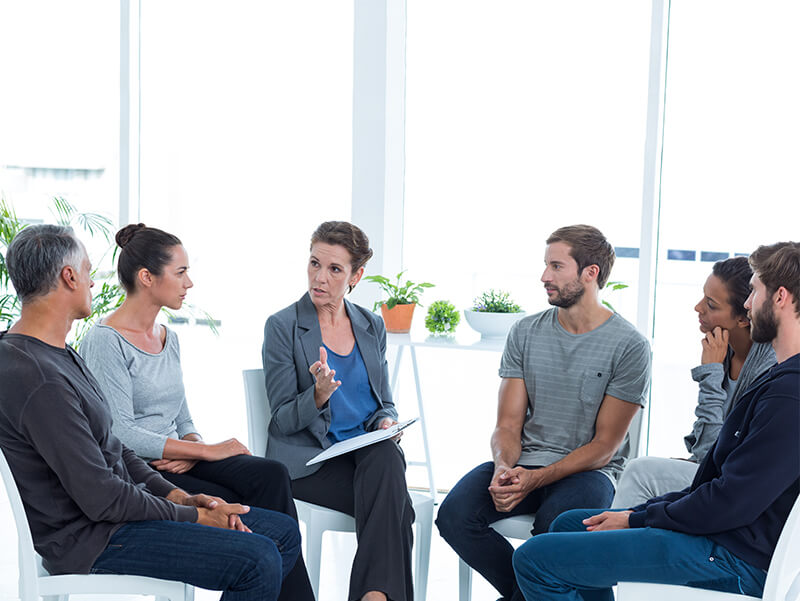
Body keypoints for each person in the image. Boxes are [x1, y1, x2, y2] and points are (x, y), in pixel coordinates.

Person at [0, 224, 300, 601]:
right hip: (93, 539)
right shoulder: (36, 375)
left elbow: (117, 449)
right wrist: (196, 516)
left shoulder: (58, 354)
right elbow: (102, 498)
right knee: (258, 558)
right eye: (90, 273)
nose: (93, 284)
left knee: (282, 532)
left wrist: (181, 497)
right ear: (69, 276)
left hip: (113, 519)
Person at [512, 241, 800, 601]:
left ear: (781, 297)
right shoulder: (779, 381)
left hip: (732, 557)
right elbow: (712, 480)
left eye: (754, 291)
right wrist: (639, 512)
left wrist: (637, 519)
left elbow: (729, 502)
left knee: (534, 559)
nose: (747, 304)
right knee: (571, 524)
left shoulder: (790, 394)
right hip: (724, 536)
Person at [436, 225, 652, 601]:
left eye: (556, 266)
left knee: (556, 527)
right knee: (454, 515)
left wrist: (537, 480)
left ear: (591, 273)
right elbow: (507, 425)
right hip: (526, 460)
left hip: (591, 471)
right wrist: (504, 467)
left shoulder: (630, 345)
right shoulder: (525, 332)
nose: (544, 277)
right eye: (545, 266)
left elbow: (605, 446)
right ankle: (532, 594)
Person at [262, 221, 414, 601]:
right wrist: (317, 395)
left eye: (334, 269)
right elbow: (281, 419)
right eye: (314, 263)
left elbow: (384, 401)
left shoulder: (371, 324)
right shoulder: (283, 327)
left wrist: (386, 421)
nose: (320, 277)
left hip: (364, 457)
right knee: (399, 511)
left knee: (384, 454)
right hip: (310, 465)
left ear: (355, 276)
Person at [612, 257, 775, 508]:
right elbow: (702, 448)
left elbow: (711, 454)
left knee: (639, 472)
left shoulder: (766, 366)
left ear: (744, 317)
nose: (698, 308)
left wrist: (709, 374)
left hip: (734, 490)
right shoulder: (723, 352)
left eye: (711, 304)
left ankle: (613, 541)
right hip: (712, 474)